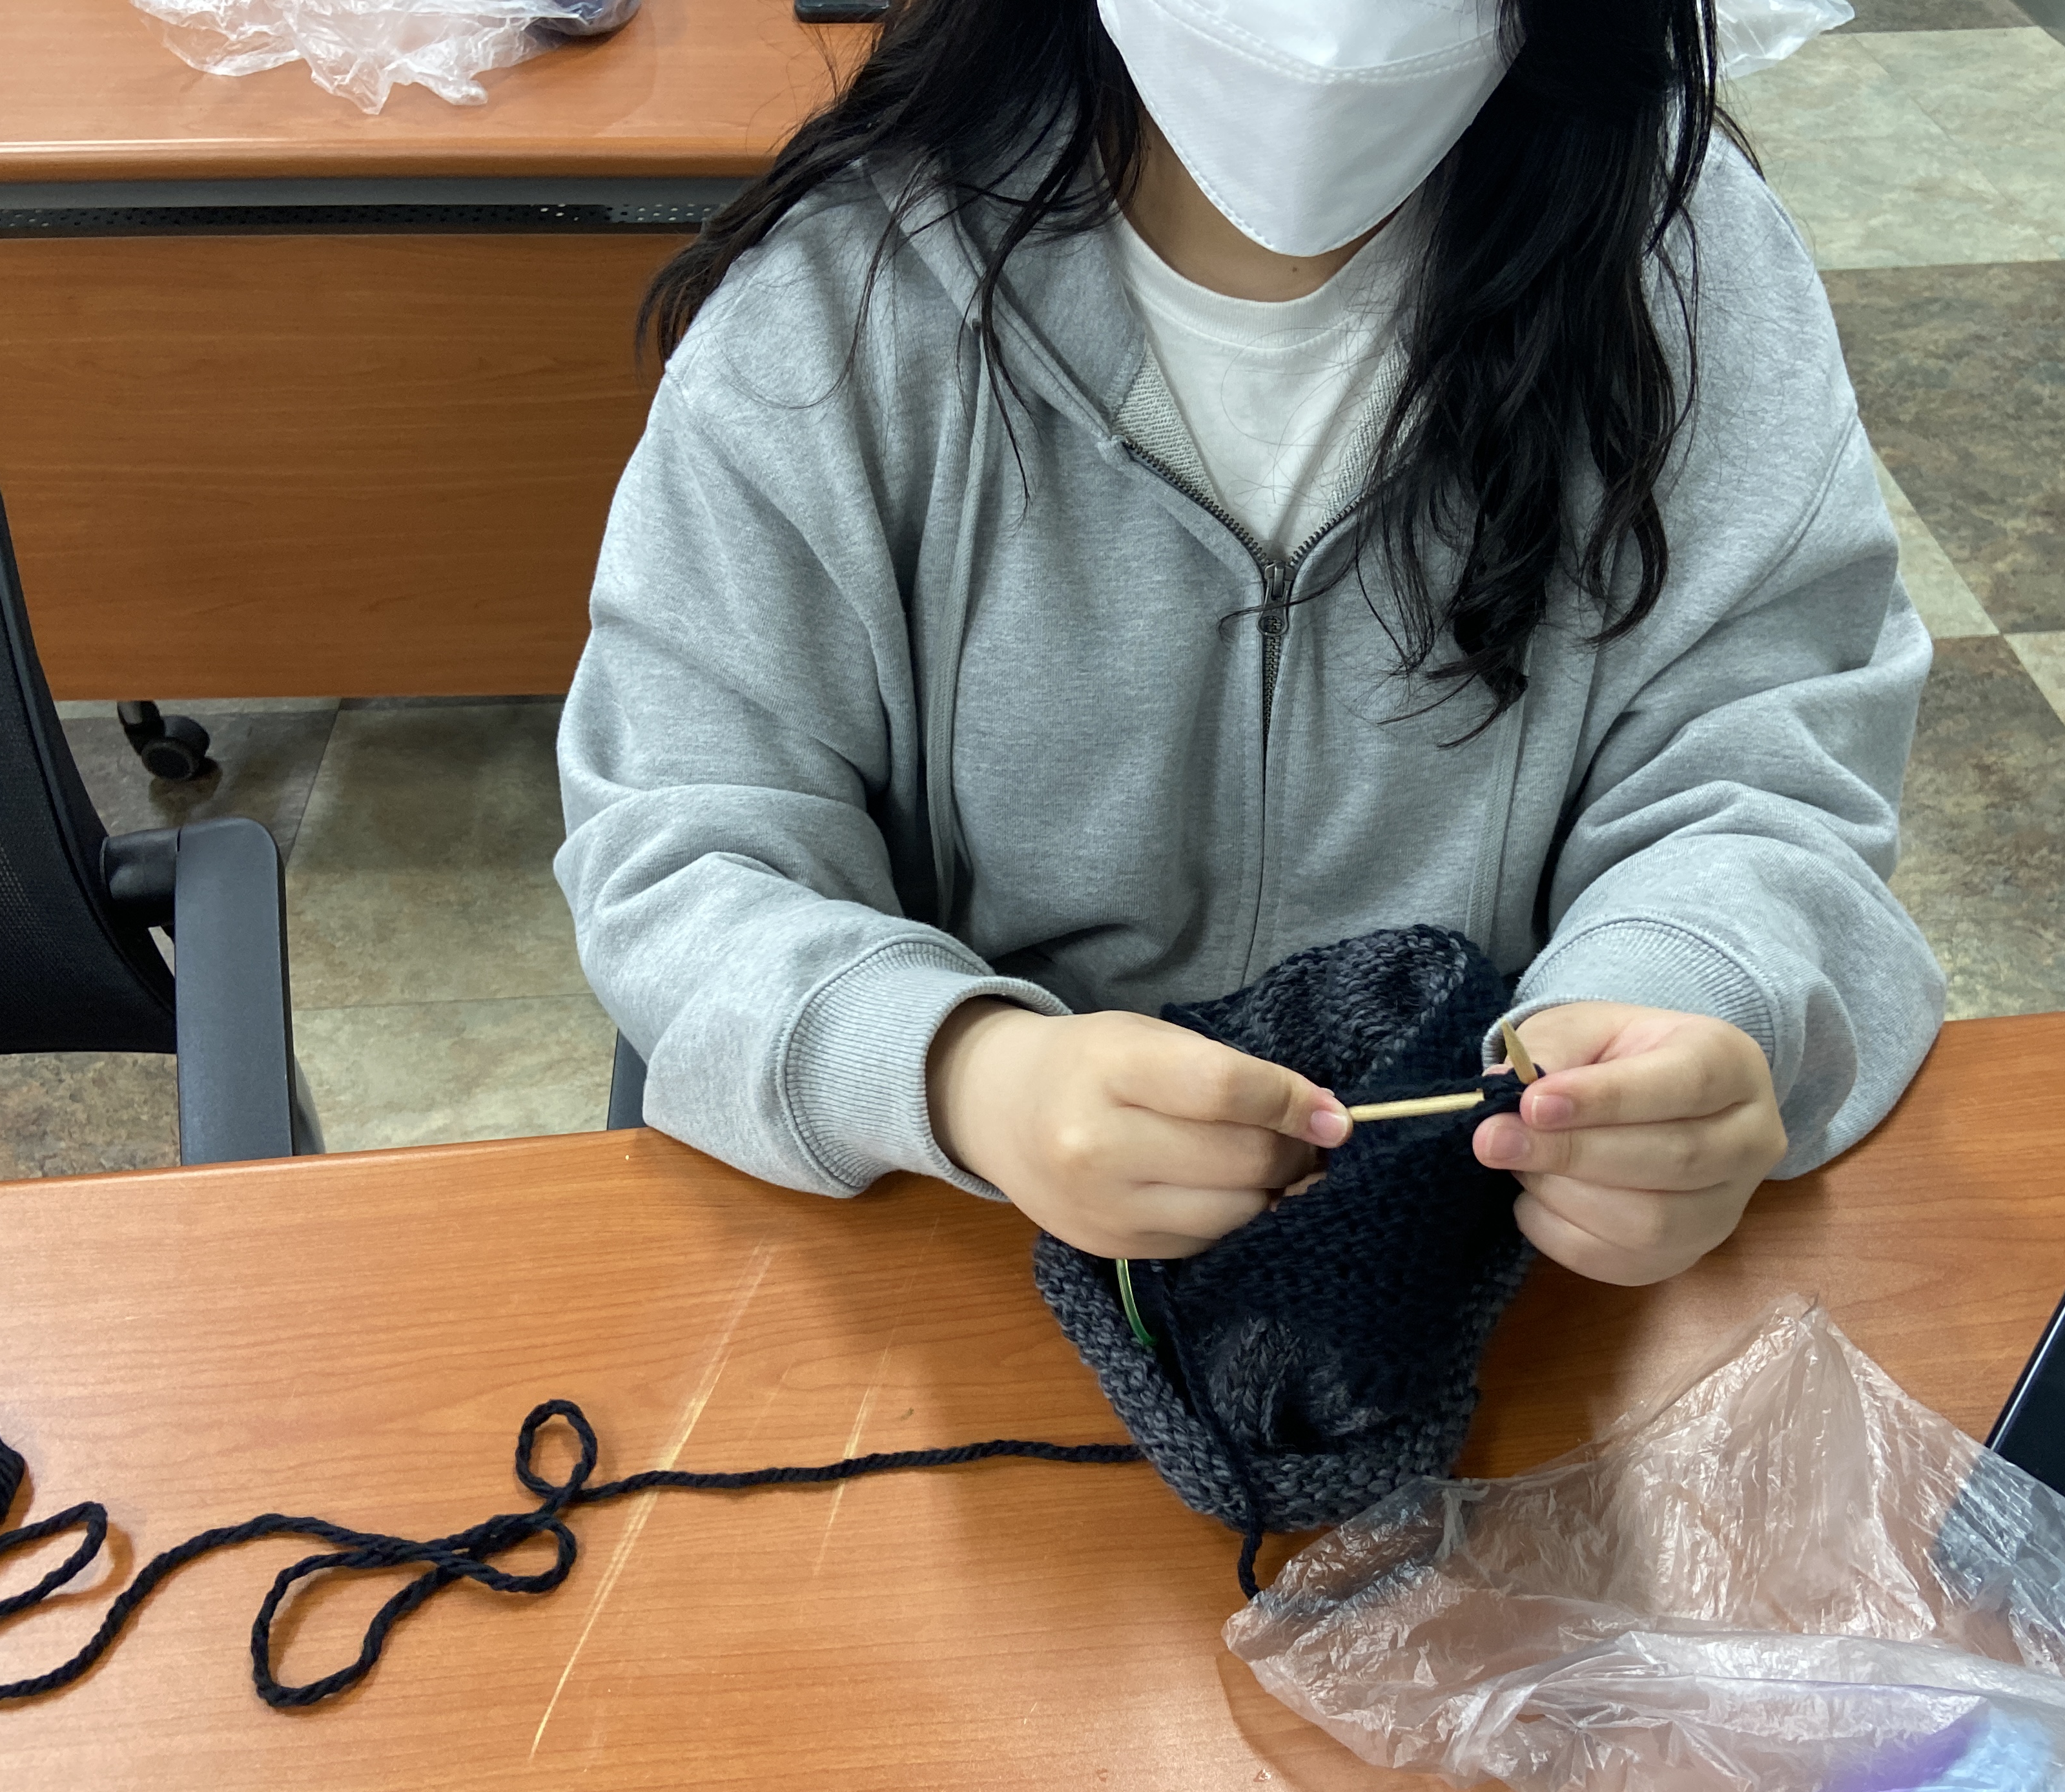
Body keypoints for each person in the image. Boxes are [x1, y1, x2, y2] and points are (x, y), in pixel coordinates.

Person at [554, 0, 1945, 1289]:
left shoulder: (1688, 272)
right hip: (969, 1252)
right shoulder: (843, 304)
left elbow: (1769, 761)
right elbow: (688, 837)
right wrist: (963, 1072)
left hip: (1494, 1259)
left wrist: (1674, 1006)